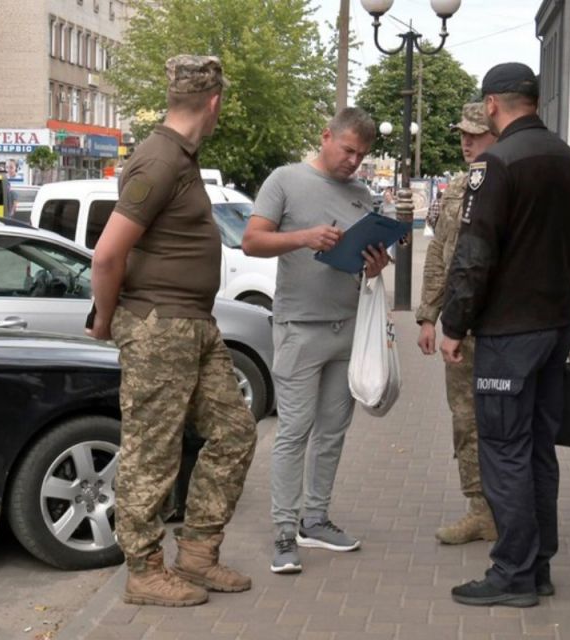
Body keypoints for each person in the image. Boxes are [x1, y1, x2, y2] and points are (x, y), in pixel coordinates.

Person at [87, 55, 256, 608]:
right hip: (159, 325)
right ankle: (143, 569)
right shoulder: (159, 159)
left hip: (194, 323)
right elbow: (108, 255)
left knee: (234, 433)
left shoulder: (180, 156)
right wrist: (107, 320)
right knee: (152, 451)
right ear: (214, 104)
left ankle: (198, 554)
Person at [440, 63, 570, 607]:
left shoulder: (495, 165)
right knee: (538, 451)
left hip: (508, 334)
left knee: (503, 450)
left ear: (493, 107)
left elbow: (474, 256)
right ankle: (538, 565)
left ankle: (513, 575)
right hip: (556, 327)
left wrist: (454, 324)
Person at [242, 107, 391, 575]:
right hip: (299, 328)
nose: (354, 162)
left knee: (332, 432)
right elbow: (251, 241)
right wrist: (305, 237)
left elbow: (369, 257)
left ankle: (316, 519)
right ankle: (285, 533)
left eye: (362, 155)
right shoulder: (285, 180)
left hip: (346, 327)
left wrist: (375, 262)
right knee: (294, 431)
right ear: (326, 137)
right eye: (348, 150)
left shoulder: (362, 193)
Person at [416, 102, 499, 546]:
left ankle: (511, 508)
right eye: (461, 134)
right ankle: (479, 508)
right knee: (466, 419)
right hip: (459, 329)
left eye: (475, 133)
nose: (466, 141)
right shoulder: (458, 188)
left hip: (503, 326)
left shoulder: (509, 183)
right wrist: (429, 314)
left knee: (506, 420)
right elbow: (438, 255)